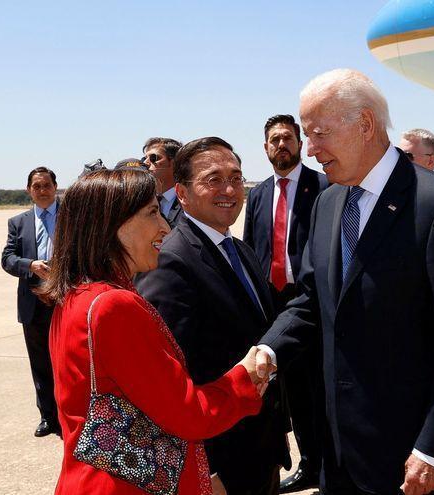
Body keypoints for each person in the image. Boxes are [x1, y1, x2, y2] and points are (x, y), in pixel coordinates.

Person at [253, 69, 434, 495]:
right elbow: (312, 299)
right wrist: (269, 347)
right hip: (339, 451)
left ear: (364, 124)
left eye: (319, 133)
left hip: (411, 457)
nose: (310, 149)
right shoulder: (327, 203)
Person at [39, 168, 264, 495]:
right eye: (151, 213)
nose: (164, 226)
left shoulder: (75, 297)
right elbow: (188, 414)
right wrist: (244, 379)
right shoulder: (114, 307)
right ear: (111, 224)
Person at [136, 137, 290, 495]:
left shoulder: (239, 250)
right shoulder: (170, 262)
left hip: (257, 448)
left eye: (236, 178)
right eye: (214, 179)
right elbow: (168, 380)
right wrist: (208, 469)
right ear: (183, 193)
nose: (229, 190)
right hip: (220, 461)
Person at [243, 114, 329, 493]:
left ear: (299, 143)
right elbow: (249, 248)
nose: (282, 145)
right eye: (274, 140)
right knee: (290, 391)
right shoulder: (259, 193)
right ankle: (307, 462)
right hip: (272, 302)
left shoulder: (323, 187)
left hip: (311, 302)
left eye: (288, 138)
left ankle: (326, 464)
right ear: (265, 148)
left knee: (318, 387)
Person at [1, 166, 61, 438]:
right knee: (41, 364)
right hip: (34, 304)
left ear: (55, 186)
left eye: (46, 185)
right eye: (36, 186)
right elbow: (7, 259)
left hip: (65, 300)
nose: (42, 190)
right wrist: (30, 265)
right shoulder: (18, 222)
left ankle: (69, 415)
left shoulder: (71, 217)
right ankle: (48, 417)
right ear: (29, 190)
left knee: (68, 363)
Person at [143, 137, 184, 225]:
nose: (146, 162)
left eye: (153, 158)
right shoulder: (144, 200)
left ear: (173, 163)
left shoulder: (189, 201)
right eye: (144, 158)